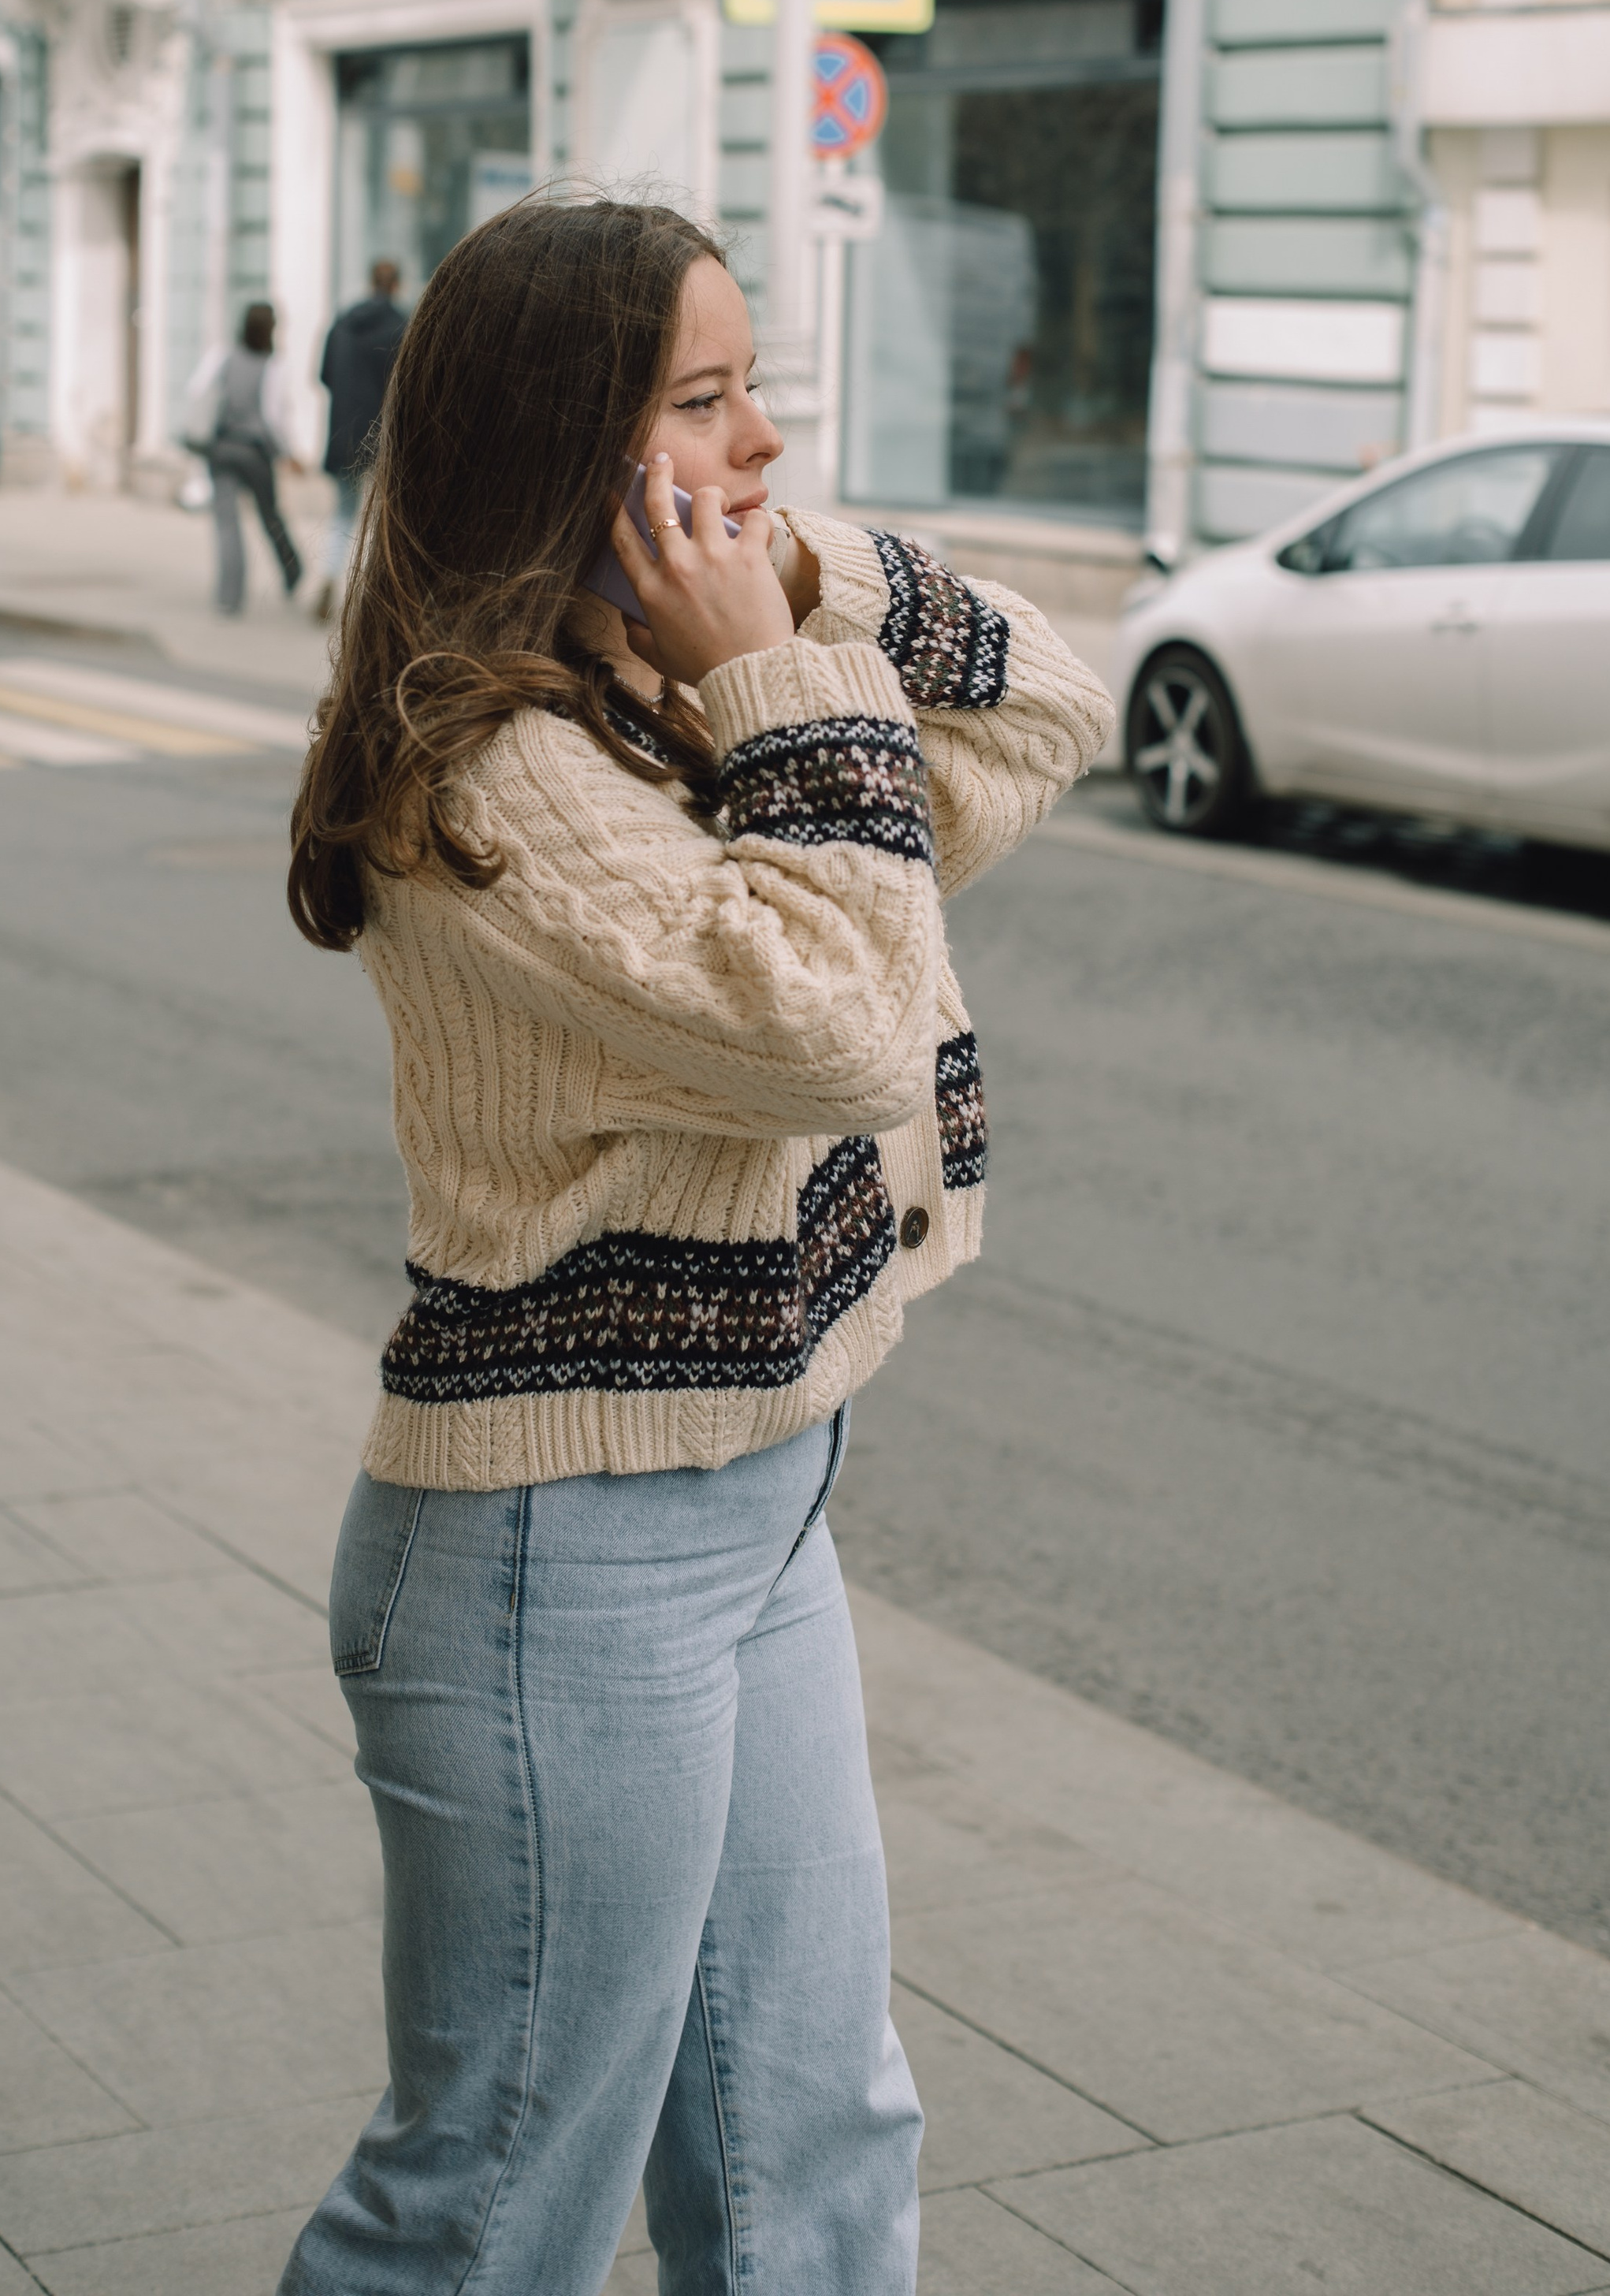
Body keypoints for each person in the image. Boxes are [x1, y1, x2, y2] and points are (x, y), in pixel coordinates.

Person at [281, 199, 1113, 2295]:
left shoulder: (676, 701)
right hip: (566, 1549)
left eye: (762, 392)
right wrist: (774, 667)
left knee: (808, 2145)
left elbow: (1051, 711)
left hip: (752, 1506)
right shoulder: (496, 769)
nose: (763, 446)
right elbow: (841, 1026)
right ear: (573, 443)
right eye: (709, 402)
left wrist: (797, 586)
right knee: (489, 2206)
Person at [184, 301, 303, 616]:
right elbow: (273, 416)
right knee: (270, 516)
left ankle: (229, 597)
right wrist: (289, 453)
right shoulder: (273, 366)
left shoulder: (222, 356)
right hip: (254, 453)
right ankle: (293, 570)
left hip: (221, 449)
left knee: (227, 524)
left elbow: (197, 390)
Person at [314, 256, 407, 620]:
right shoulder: (400, 326)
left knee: (343, 513)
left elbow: (324, 375)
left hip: (341, 433)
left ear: (371, 283)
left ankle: (329, 578)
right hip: (383, 439)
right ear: (396, 285)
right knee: (384, 519)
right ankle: (377, 596)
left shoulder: (342, 323)